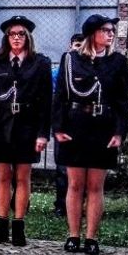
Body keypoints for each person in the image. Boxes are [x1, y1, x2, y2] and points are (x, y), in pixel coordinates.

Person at [52, 14, 128, 255]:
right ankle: (73, 234)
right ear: (92, 33)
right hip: (76, 123)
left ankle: (91, 237)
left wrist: (119, 131)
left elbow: (122, 101)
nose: (110, 34)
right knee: (75, 184)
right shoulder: (71, 59)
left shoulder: (117, 61)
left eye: (112, 31)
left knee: (96, 186)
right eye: (105, 30)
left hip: (103, 126)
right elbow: (61, 96)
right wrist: (58, 127)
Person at [0, 15, 52, 247]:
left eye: (20, 34)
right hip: (0, 126)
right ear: (6, 38)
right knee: (3, 176)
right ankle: (1, 225)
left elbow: (46, 102)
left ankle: (18, 226)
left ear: (27, 37)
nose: (16, 38)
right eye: (12, 34)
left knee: (22, 177)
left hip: (27, 127)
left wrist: (42, 133)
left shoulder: (40, 63)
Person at [52, 33, 85, 216]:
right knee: (62, 168)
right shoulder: (59, 71)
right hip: (64, 122)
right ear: (70, 46)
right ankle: (60, 204)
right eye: (76, 45)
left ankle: (82, 204)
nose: (78, 48)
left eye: (82, 45)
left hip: (82, 123)